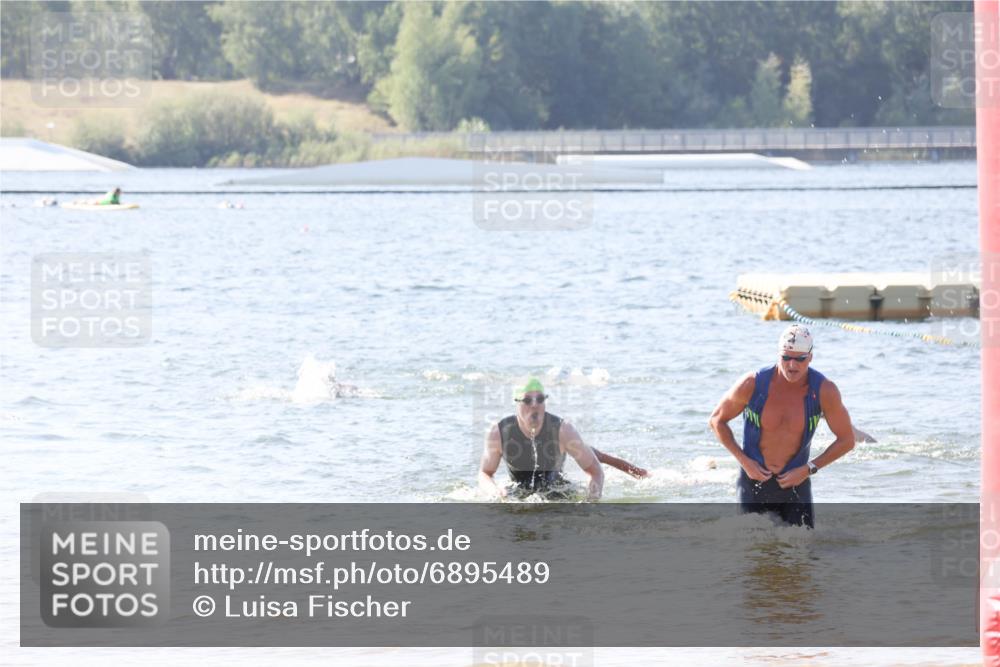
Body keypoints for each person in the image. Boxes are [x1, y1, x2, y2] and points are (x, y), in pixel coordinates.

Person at [708, 325, 855, 528]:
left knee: (802, 555)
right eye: (786, 358)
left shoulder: (824, 390)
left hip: (796, 483)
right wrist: (745, 462)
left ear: (810, 357)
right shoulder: (752, 384)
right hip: (753, 482)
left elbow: (847, 440)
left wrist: (809, 468)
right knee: (753, 553)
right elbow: (717, 420)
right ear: (778, 355)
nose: (792, 365)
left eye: (800, 359)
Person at [478, 378, 647, 501]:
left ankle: (644, 474)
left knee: (595, 456)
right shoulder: (499, 432)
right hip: (520, 490)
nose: (535, 405)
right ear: (517, 403)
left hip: (558, 489)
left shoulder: (563, 429)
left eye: (540, 399)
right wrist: (496, 492)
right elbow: (485, 473)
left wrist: (592, 501)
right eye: (528, 400)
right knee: (591, 452)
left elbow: (595, 471)